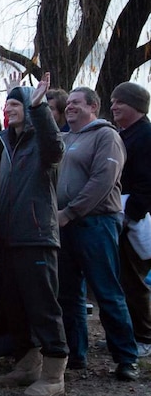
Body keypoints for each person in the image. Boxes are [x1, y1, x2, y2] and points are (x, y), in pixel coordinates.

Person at [0, 74, 70, 396]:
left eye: (15, 104)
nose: (9, 108)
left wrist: (39, 105)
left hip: (35, 236)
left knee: (43, 305)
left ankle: (55, 371)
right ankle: (27, 362)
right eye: (8, 104)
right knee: (14, 305)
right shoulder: (11, 143)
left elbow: (56, 146)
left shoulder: (42, 144)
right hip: (8, 237)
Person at [56, 86, 139, 380]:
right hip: (65, 227)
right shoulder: (66, 138)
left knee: (107, 291)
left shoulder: (107, 136)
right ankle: (77, 354)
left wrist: (70, 212)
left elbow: (102, 180)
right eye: (69, 104)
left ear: (93, 106)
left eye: (78, 103)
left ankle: (126, 358)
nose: (70, 107)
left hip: (96, 224)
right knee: (69, 294)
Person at [110, 82, 151, 358]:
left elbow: (147, 182)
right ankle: (128, 332)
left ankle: (144, 335)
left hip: (135, 217)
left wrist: (131, 216)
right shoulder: (125, 134)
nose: (113, 107)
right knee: (122, 280)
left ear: (136, 106)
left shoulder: (146, 136)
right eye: (112, 101)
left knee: (134, 280)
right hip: (121, 213)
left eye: (119, 102)